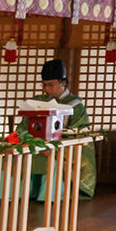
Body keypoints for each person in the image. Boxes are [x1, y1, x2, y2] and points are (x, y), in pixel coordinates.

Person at [26, 59, 95, 200]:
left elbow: (80, 134)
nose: (46, 89)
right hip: (36, 145)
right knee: (12, 158)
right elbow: (24, 126)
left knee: (52, 159)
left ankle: (48, 195)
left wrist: (54, 147)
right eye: (44, 85)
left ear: (63, 83)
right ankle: (18, 194)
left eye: (51, 85)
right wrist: (31, 142)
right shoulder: (38, 101)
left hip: (62, 149)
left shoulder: (75, 105)